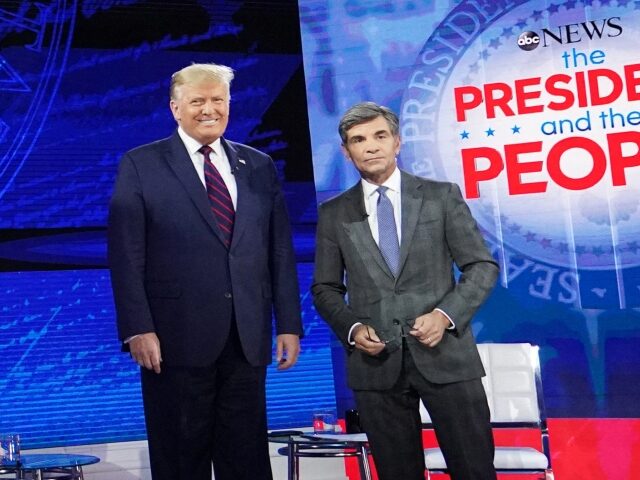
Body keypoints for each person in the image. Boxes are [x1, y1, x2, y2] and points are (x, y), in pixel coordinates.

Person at [108, 63, 303, 480]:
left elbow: (279, 251)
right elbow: (125, 254)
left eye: (218, 100)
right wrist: (137, 328)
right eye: (197, 101)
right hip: (173, 340)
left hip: (246, 338)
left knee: (246, 459)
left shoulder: (259, 165)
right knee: (181, 458)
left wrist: (289, 323)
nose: (209, 109)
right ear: (175, 108)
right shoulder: (141, 164)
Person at [311, 102, 499, 480]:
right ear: (347, 153)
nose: (371, 146)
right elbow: (325, 288)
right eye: (358, 140)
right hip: (376, 367)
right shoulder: (334, 212)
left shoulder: (440, 196)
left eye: (380, 136)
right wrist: (352, 328)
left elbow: (481, 266)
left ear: (397, 142)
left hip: (447, 358)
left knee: (474, 469)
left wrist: (445, 315)